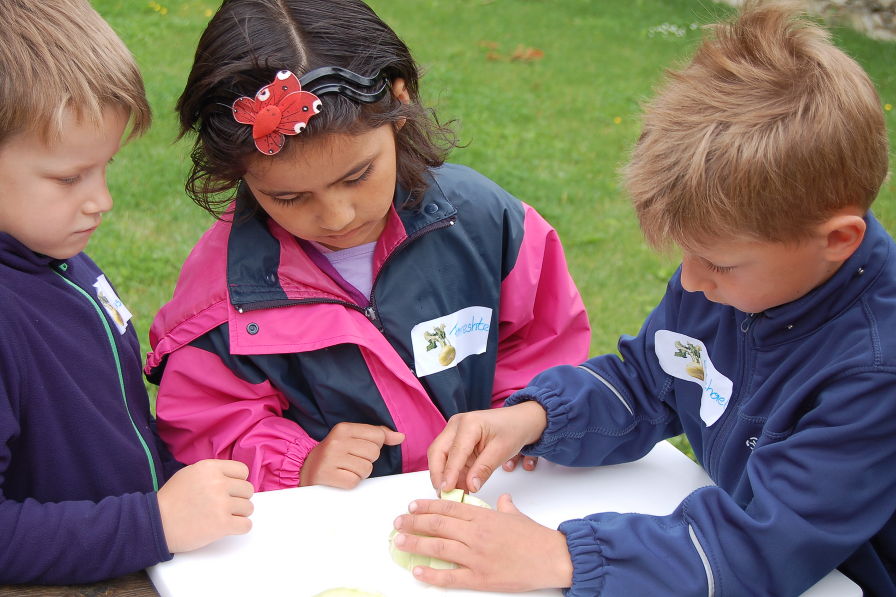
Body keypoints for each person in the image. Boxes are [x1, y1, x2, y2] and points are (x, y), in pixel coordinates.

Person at [391, 2, 896, 596]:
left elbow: (767, 544)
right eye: (685, 254)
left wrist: (566, 557)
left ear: (837, 240)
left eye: (718, 262)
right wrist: (533, 417)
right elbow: (649, 380)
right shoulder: (736, 283)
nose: (689, 283)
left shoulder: (877, 369)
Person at [144, 0, 590, 492]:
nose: (336, 217)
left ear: (398, 104)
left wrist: (521, 415)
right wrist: (300, 464)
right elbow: (208, 423)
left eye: (358, 176)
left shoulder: (490, 223)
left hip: (488, 501)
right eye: (287, 197)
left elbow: (544, 339)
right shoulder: (220, 298)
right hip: (333, 536)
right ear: (237, 172)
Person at [0, 0, 254, 584]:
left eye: (105, 167)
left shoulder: (54, 257)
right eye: (69, 178)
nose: (103, 200)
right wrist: (152, 523)